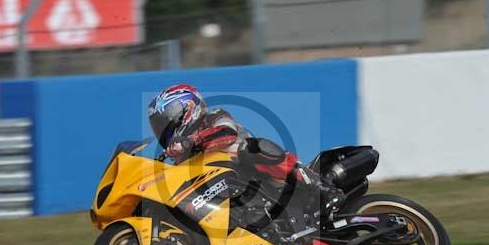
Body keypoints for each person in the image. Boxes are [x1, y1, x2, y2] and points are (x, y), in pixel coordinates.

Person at [147, 84, 345, 215]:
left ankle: (322, 188)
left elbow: (227, 133)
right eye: (159, 126)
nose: (164, 131)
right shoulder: (182, 159)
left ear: (187, 108)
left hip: (255, 172)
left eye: (166, 122)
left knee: (250, 149)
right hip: (235, 198)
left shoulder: (213, 117)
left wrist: (191, 140)